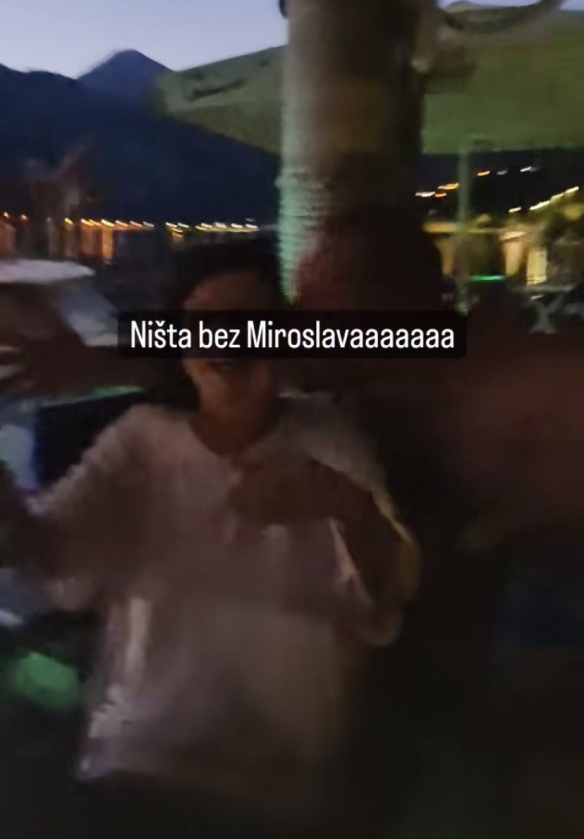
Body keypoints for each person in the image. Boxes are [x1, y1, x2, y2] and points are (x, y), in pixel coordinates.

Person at [0, 237, 418, 839]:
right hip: (135, 762)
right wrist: (10, 513)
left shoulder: (329, 440)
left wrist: (347, 508)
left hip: (269, 788)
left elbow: (390, 588)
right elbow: (53, 552)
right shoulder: (143, 438)